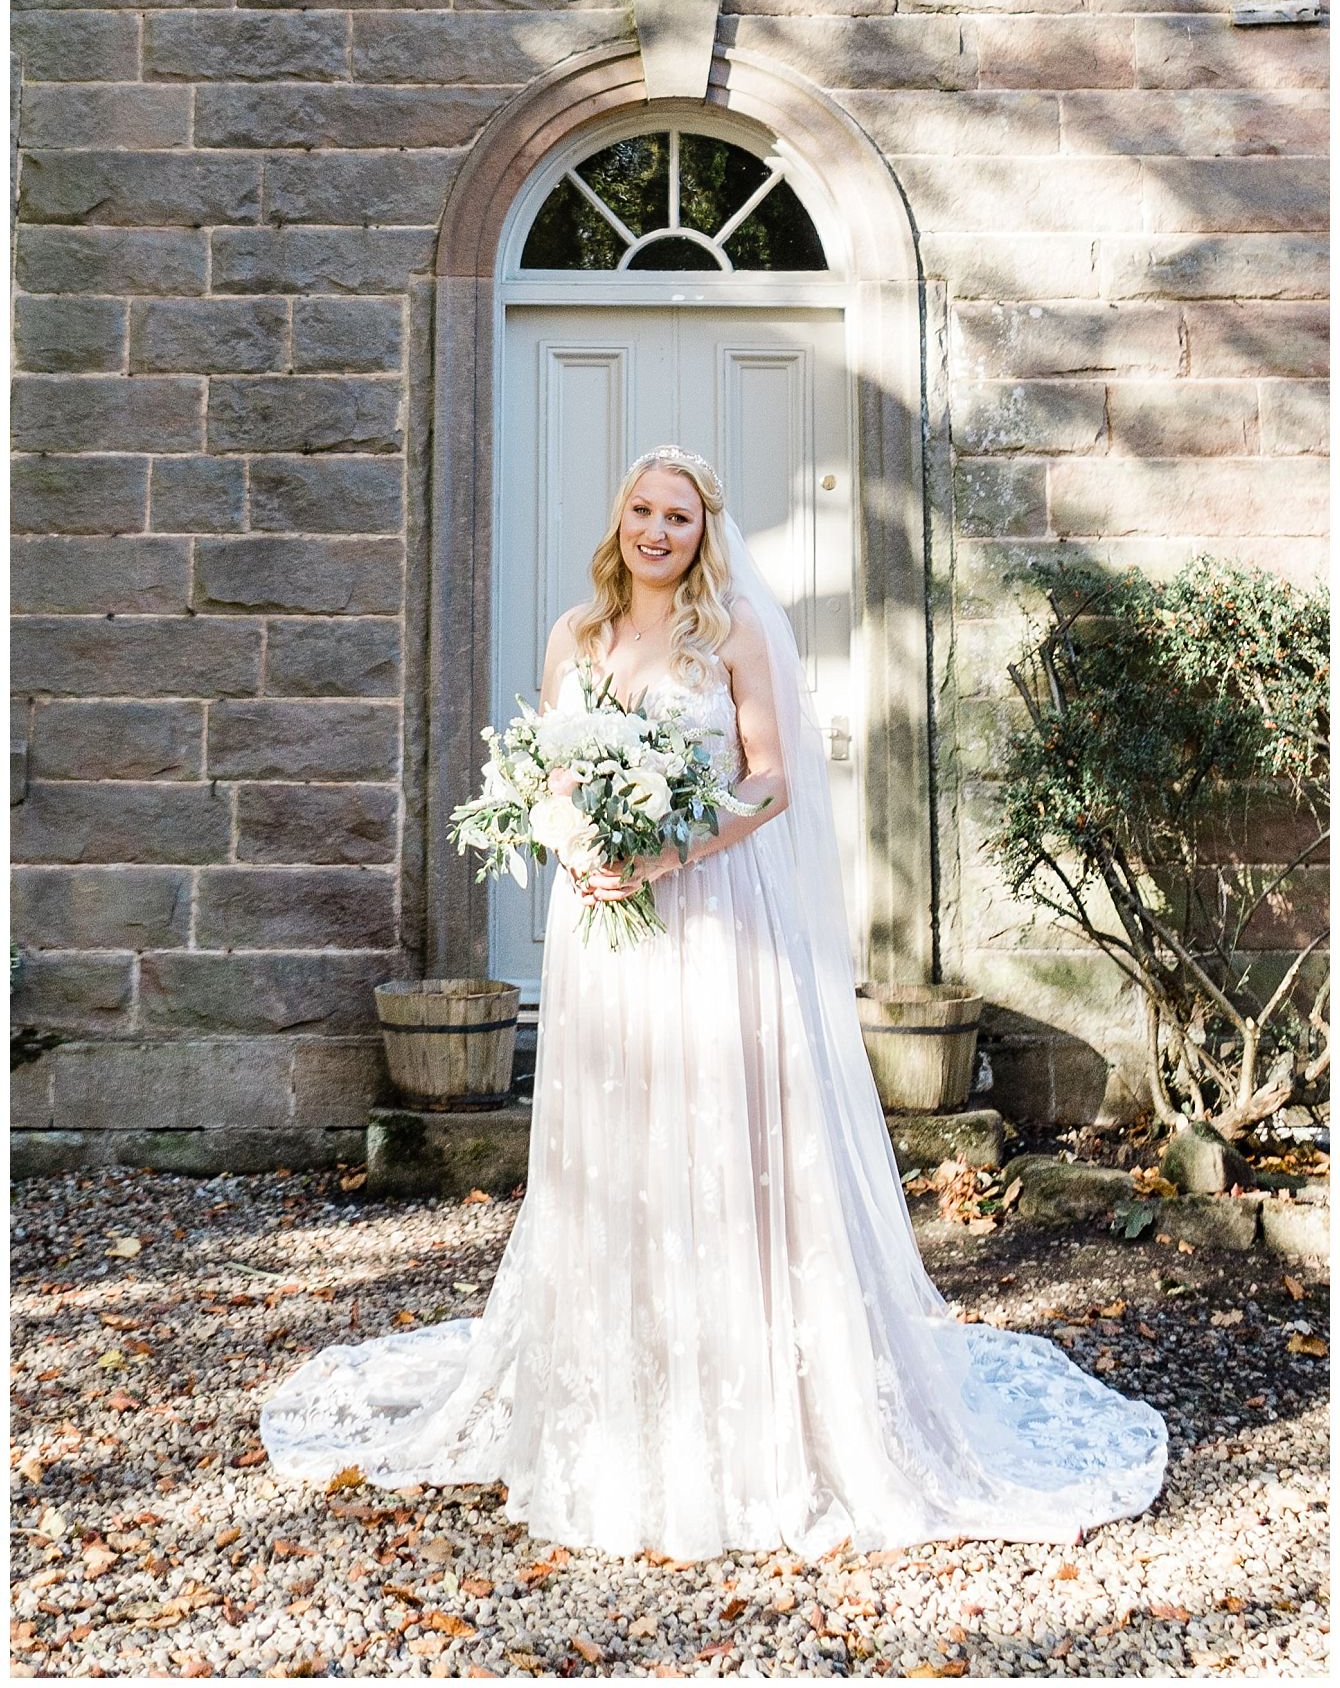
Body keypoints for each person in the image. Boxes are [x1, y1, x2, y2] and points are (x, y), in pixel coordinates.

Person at [259, 445, 1167, 1560]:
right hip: (608, 935)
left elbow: (772, 778)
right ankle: (617, 1402)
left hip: (716, 918)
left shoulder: (732, 630)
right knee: (617, 1138)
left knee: (725, 1133)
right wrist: (577, 837)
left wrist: (668, 849)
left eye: (675, 515)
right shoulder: (574, 636)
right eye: (639, 509)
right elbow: (550, 772)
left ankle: (751, 1409)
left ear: (703, 527)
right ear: (618, 518)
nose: (654, 529)